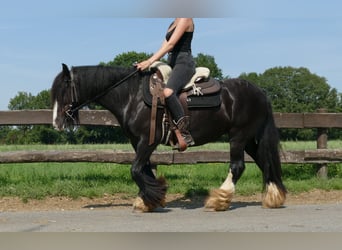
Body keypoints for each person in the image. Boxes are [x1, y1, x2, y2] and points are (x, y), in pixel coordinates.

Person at [136, 18, 195, 148]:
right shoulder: (173, 22)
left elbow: (170, 45)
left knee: (168, 93)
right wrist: (147, 62)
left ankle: (185, 133)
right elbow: (164, 47)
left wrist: (149, 61)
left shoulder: (186, 19)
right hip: (171, 63)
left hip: (183, 63)